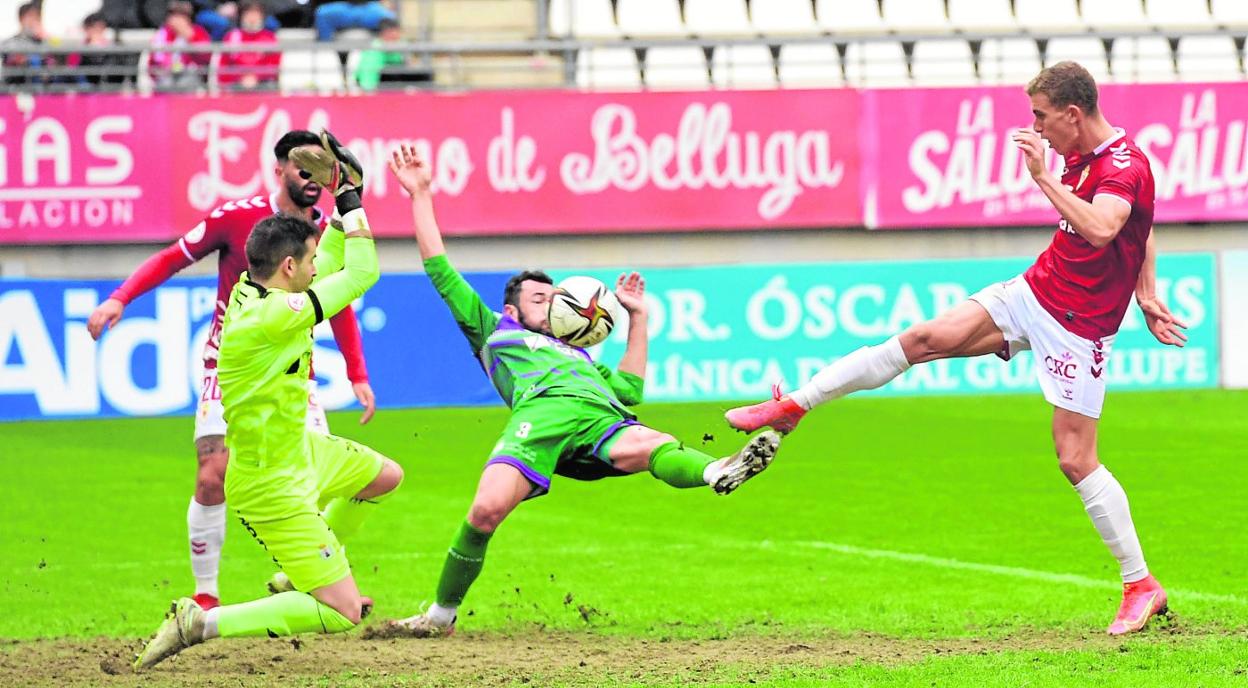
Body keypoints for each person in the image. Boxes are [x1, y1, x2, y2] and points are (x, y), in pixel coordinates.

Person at [725, 61, 1186, 636]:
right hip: (1036, 290)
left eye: (1042, 118)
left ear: (1073, 114)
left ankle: (1140, 583)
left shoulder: (1124, 164)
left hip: (1079, 325)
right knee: (924, 338)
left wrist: (1043, 179)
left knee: (1074, 457)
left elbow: (1104, 228)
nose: (1036, 129)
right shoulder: (1082, 154)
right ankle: (794, 406)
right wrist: (1146, 291)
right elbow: (1142, 225)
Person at [363, 145, 781, 639]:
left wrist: (638, 318)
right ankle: (439, 616)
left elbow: (629, 389)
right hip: (537, 419)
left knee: (652, 442)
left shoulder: (579, 357)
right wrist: (422, 194)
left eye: (556, 295)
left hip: (599, 418)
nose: (554, 302)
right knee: (484, 512)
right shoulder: (494, 330)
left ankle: (718, 469)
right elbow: (440, 270)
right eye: (541, 297)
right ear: (514, 310)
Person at [135, 130, 401, 670]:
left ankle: (295, 572)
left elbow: (325, 256)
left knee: (385, 477)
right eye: (305, 264)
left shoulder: (260, 289)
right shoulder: (275, 315)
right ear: (287, 268)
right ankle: (201, 622)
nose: (312, 270)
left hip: (299, 450)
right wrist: (350, 201)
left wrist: (343, 197)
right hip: (270, 483)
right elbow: (364, 272)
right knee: (341, 613)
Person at [150, 1, 212, 90]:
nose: (177, 19)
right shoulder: (163, 33)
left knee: (185, 83)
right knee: (165, 84)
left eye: (182, 15)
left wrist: (190, 36)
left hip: (191, 74)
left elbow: (206, 57)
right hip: (167, 74)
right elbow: (155, 59)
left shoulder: (198, 32)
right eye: (174, 14)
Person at [219, 1, 279, 89]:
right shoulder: (231, 37)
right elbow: (223, 66)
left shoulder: (270, 38)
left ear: (262, 17)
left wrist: (257, 77)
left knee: (270, 86)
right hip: (236, 83)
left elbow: (274, 66)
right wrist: (240, 78)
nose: (252, 18)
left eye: (256, 14)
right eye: (248, 13)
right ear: (242, 16)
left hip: (263, 83)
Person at [2, 2, 62, 87]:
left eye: (37, 18)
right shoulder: (10, 43)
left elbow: (60, 49)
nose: (33, 21)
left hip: (43, 87)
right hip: (18, 87)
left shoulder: (45, 41)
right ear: (21, 19)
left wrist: (46, 37)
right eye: (30, 17)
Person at [353, 17, 405, 91]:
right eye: (396, 32)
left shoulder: (396, 48)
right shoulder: (374, 51)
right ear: (386, 32)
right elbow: (368, 81)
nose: (398, 36)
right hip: (372, 92)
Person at [314, 0, 396, 42]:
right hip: (348, 8)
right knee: (322, 13)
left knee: (389, 18)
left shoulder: (381, 13)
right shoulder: (326, 12)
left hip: (367, 9)